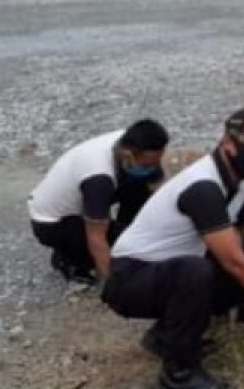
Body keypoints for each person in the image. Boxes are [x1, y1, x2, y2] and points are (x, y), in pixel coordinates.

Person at [103, 107, 244, 389]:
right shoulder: (204, 187)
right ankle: (179, 374)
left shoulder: (241, 184)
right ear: (227, 141)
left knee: (235, 275)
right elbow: (234, 261)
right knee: (200, 270)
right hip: (129, 278)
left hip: (164, 270)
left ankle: (165, 337)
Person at [28, 119, 170, 284]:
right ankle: (69, 260)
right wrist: (113, 286)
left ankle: (124, 234)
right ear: (127, 155)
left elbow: (158, 191)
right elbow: (96, 237)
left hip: (90, 197)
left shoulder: (134, 143)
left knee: (140, 191)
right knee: (116, 255)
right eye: (147, 164)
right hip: (54, 222)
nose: (152, 167)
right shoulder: (98, 178)